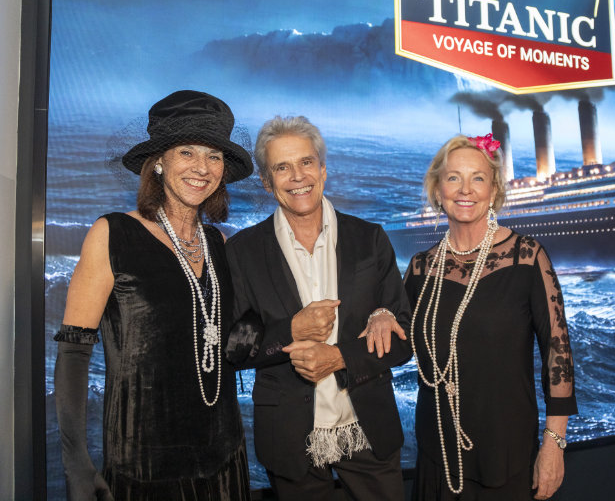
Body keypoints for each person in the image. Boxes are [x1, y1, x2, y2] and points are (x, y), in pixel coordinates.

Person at [54, 90, 254, 500]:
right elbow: (74, 353)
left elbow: (216, 342)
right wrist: (76, 463)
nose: (202, 168)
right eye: (187, 152)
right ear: (159, 161)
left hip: (224, 457)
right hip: (145, 466)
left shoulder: (218, 243)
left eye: (214, 156)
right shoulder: (113, 234)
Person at [224, 115, 411, 501]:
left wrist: (340, 357)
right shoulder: (242, 252)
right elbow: (234, 350)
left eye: (306, 162)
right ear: (266, 181)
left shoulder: (370, 239)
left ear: (323, 170)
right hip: (289, 437)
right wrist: (292, 330)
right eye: (282, 167)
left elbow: (404, 340)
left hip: (368, 428)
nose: (298, 176)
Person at [403, 133, 577, 500]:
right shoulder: (420, 268)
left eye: (478, 178)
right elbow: (398, 342)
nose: (465, 189)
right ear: (438, 189)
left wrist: (554, 442)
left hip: (507, 456)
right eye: (453, 177)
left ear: (493, 189)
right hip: (438, 455)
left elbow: (558, 353)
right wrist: (381, 314)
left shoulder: (527, 257)